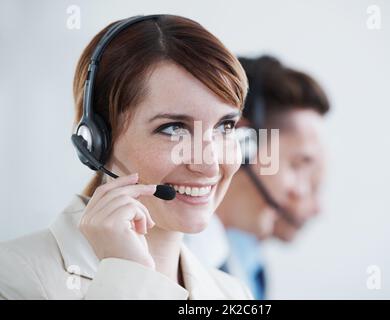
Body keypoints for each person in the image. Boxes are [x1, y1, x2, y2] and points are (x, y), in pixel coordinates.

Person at [0, 15, 252, 300]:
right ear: (95, 141)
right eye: (173, 129)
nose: (208, 165)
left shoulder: (232, 292)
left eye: (225, 126)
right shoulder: (13, 277)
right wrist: (127, 279)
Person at [186, 55, 330, 299]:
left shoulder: (241, 265)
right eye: (296, 165)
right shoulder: (167, 262)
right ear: (241, 142)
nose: (301, 192)